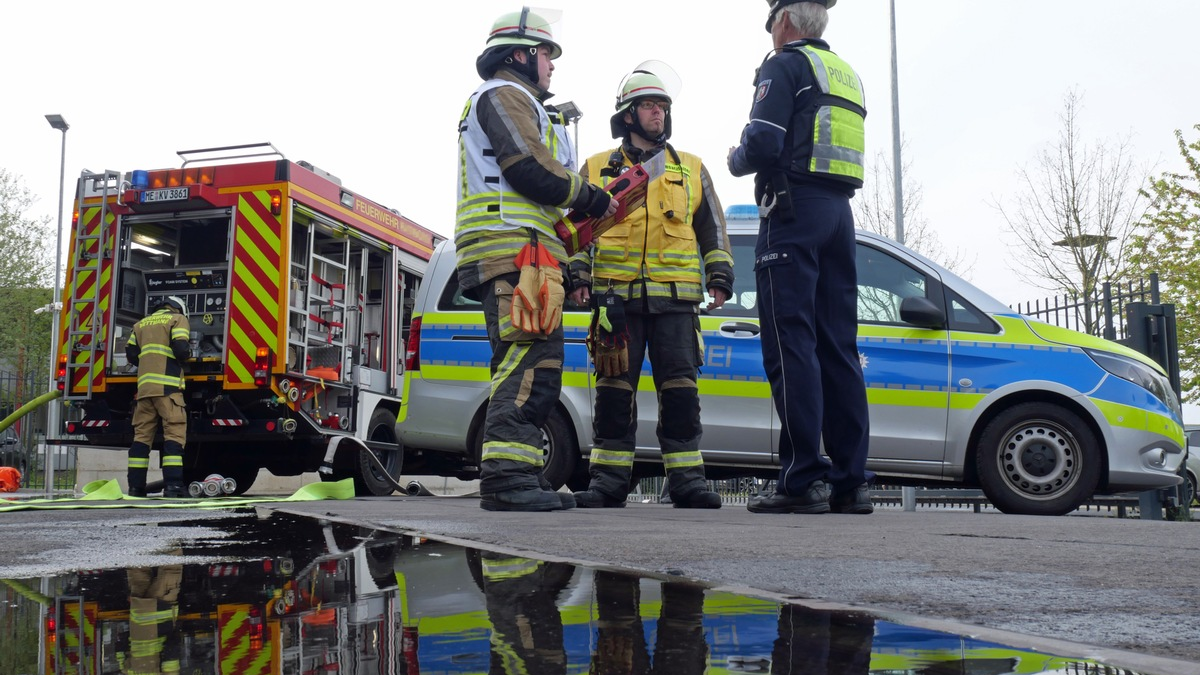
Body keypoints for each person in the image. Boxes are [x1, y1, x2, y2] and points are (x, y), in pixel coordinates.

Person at [457, 8, 619, 512]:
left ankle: (519, 473)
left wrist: (571, 264)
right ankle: (506, 480)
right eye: (547, 54)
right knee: (525, 365)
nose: (552, 64)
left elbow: (543, 198)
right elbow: (527, 169)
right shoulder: (502, 95)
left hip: (529, 251)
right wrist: (591, 196)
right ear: (522, 54)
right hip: (509, 249)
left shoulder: (523, 102)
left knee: (537, 366)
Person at [727, 0, 874, 514]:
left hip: (792, 212)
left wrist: (735, 158)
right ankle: (850, 483)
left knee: (792, 346)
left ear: (784, 20)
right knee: (839, 347)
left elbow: (765, 142)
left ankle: (800, 480)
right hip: (839, 216)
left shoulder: (785, 63)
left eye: (770, 22)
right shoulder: (845, 73)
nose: (770, 31)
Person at [568, 65, 734, 510]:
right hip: (613, 301)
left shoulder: (691, 168)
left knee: (681, 391)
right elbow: (580, 228)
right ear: (627, 115)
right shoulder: (597, 167)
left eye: (662, 106)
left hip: (676, 302)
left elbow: (713, 230)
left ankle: (686, 482)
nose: (657, 113)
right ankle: (608, 482)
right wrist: (578, 276)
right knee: (613, 391)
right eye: (648, 105)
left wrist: (720, 276)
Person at [125, 295, 192, 498]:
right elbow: (181, 350)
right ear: (178, 308)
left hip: (144, 391)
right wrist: (188, 356)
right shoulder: (177, 319)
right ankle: (173, 487)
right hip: (168, 389)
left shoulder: (140, 324)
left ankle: (136, 488)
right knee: (174, 435)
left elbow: (131, 354)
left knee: (141, 438)